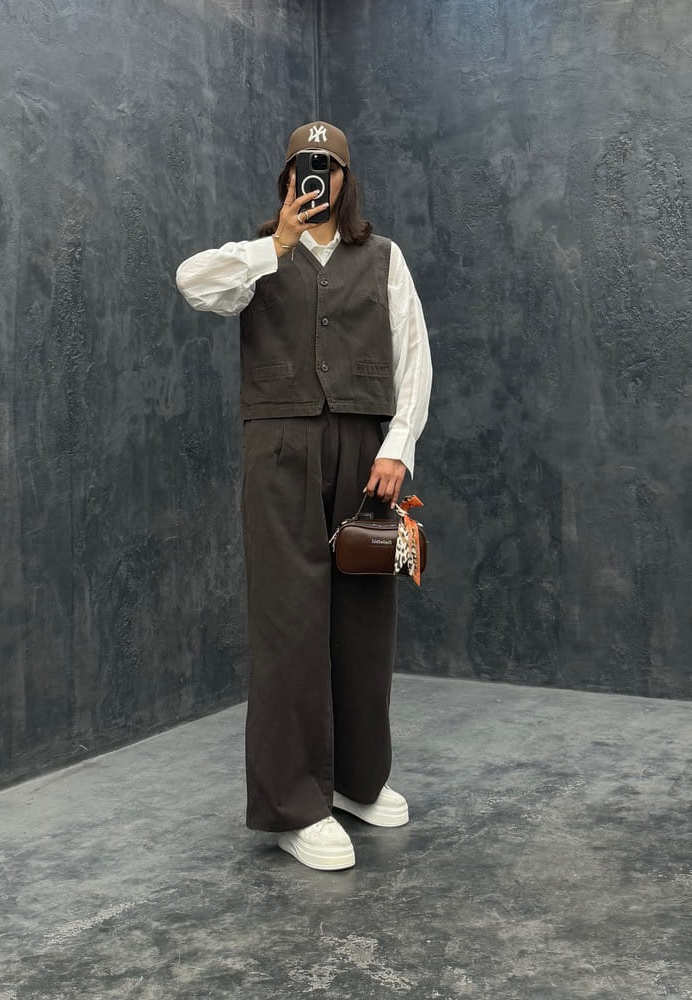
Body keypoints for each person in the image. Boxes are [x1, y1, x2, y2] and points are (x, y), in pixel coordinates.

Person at [176, 121, 432, 871]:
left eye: (328, 166)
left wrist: (397, 445)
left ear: (347, 179)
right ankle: (295, 804)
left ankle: (356, 780)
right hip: (280, 452)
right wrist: (277, 245)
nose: (316, 177)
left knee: (365, 617)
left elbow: (413, 355)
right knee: (289, 625)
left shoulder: (383, 258)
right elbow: (193, 283)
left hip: (364, 455)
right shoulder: (255, 258)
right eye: (304, 165)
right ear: (287, 177)